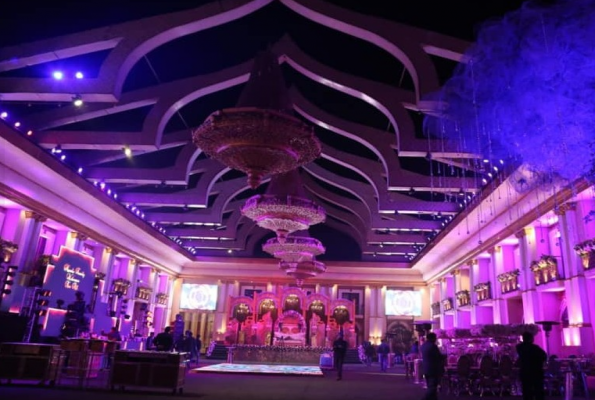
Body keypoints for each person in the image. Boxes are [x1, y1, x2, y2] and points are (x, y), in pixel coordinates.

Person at [516, 331, 547, 400]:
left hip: (525, 371)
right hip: (536, 371)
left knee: (526, 391)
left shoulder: (519, 347)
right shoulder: (535, 348)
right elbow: (544, 356)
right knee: (538, 390)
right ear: (530, 338)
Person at [420, 332, 444, 400]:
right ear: (432, 338)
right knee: (432, 386)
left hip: (426, 368)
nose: (436, 339)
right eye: (435, 338)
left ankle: (433, 398)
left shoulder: (423, 346)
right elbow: (438, 357)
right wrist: (444, 357)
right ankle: (426, 398)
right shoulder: (433, 346)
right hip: (433, 368)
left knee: (429, 385)